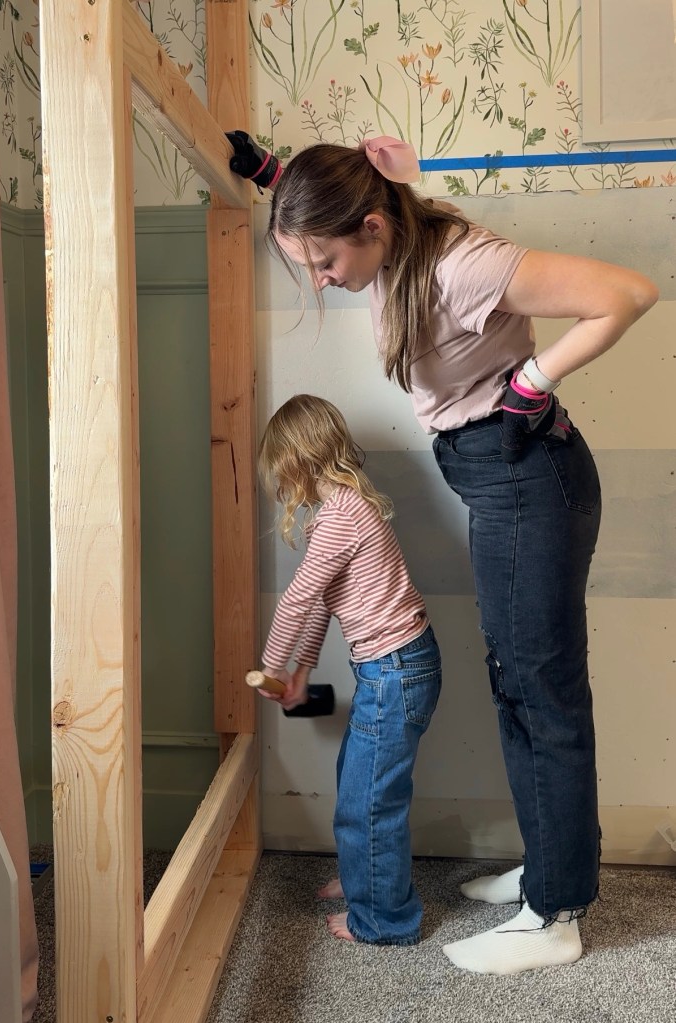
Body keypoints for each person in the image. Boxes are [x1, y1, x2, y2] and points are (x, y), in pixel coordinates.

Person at [232, 134, 659, 975]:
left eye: (323, 262)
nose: (323, 280)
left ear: (371, 227)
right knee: (516, 678)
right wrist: (273, 176)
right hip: (498, 484)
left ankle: (559, 912)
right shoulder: (387, 225)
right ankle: (548, 871)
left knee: (544, 690)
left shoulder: (460, 265)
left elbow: (627, 292)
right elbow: (341, 197)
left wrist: (531, 381)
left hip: (532, 479)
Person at [257, 394, 442, 946]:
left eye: (279, 467)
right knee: (358, 787)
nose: (280, 480)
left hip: (396, 670)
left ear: (296, 459)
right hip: (389, 670)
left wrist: (267, 667)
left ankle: (385, 919)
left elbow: (295, 601)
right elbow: (322, 604)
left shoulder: (341, 515)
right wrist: (301, 670)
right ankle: (369, 877)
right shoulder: (337, 512)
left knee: (369, 801)